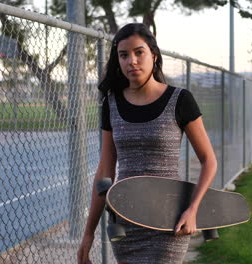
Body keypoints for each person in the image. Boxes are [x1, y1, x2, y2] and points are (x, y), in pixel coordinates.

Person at [77, 23, 217, 264]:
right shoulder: (111, 104)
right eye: (124, 55)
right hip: (125, 218)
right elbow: (105, 172)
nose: (132, 61)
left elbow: (209, 161)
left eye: (138, 52)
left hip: (169, 218)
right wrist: (88, 234)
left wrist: (193, 210)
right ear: (118, 61)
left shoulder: (180, 100)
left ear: (153, 55)